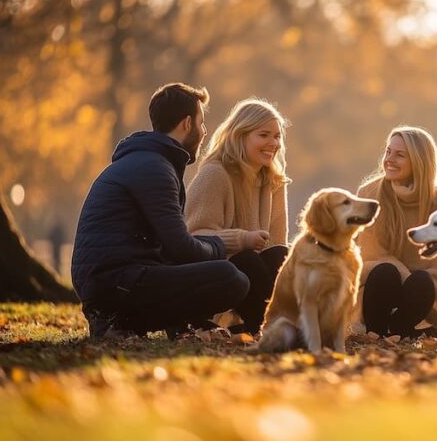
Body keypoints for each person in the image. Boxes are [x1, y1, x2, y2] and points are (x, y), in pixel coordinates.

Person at [71, 83, 250, 340]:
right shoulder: (155, 168)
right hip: (116, 283)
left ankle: (148, 322)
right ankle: (116, 320)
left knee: (227, 271)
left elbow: (167, 249)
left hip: (120, 279)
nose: (204, 131)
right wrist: (221, 248)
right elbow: (179, 247)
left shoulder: (149, 161)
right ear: (187, 124)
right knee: (231, 278)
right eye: (201, 123)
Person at [185, 98, 290, 335]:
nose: (273, 143)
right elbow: (193, 238)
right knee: (247, 260)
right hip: (215, 277)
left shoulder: (274, 181)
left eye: (277, 136)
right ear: (240, 135)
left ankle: (273, 325)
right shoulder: (215, 174)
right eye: (263, 135)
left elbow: (275, 244)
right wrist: (242, 239)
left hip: (254, 280)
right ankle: (267, 328)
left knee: (281, 256)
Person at [357, 126, 437, 337]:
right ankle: (375, 331)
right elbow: (370, 253)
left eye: (400, 155)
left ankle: (402, 329)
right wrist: (406, 276)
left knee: (422, 282)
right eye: (388, 152)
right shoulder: (369, 194)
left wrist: (418, 283)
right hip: (379, 285)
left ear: (419, 161)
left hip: (424, 290)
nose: (389, 159)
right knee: (385, 272)